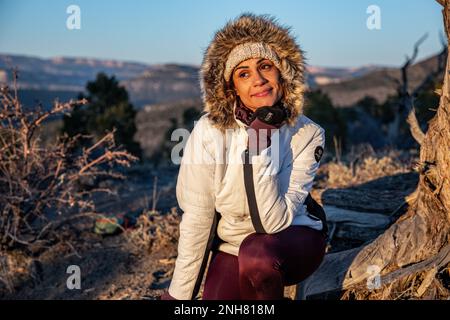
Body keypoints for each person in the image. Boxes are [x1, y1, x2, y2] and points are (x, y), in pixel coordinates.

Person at [161, 13, 327, 300]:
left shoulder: (308, 134)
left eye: (266, 66)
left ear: (282, 73)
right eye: (244, 73)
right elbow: (199, 217)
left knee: (258, 255)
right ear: (230, 89)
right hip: (233, 245)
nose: (259, 80)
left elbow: (270, 224)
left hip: (293, 238)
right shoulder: (208, 131)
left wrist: (258, 146)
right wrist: (178, 296)